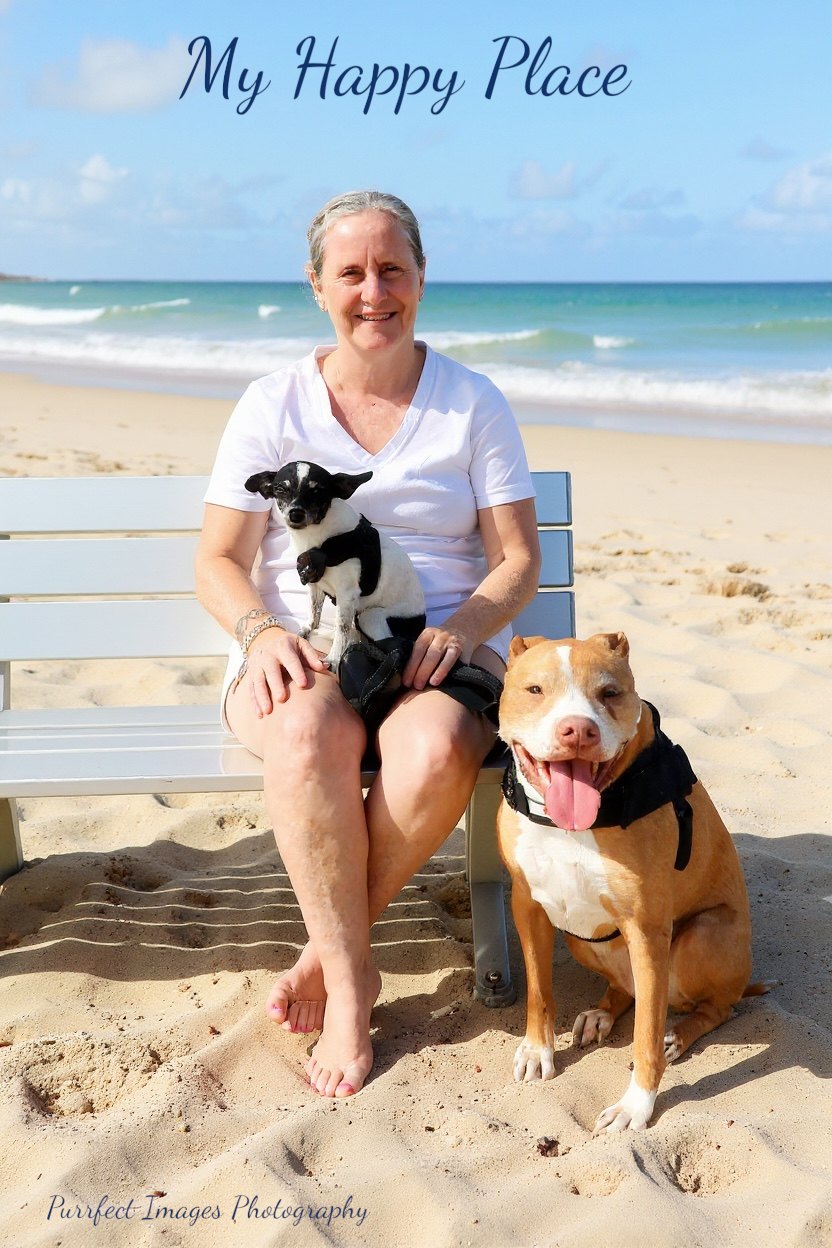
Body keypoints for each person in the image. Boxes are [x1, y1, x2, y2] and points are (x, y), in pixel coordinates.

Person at [195, 190, 541, 1098]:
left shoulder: (473, 402)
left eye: (393, 269)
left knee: (436, 750)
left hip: (435, 647)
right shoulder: (272, 403)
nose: (374, 291)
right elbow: (217, 560)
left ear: (422, 278)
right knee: (307, 734)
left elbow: (518, 560)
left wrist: (465, 628)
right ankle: (353, 984)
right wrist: (259, 633)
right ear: (317, 286)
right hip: (303, 647)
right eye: (351, 272)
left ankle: (324, 949)